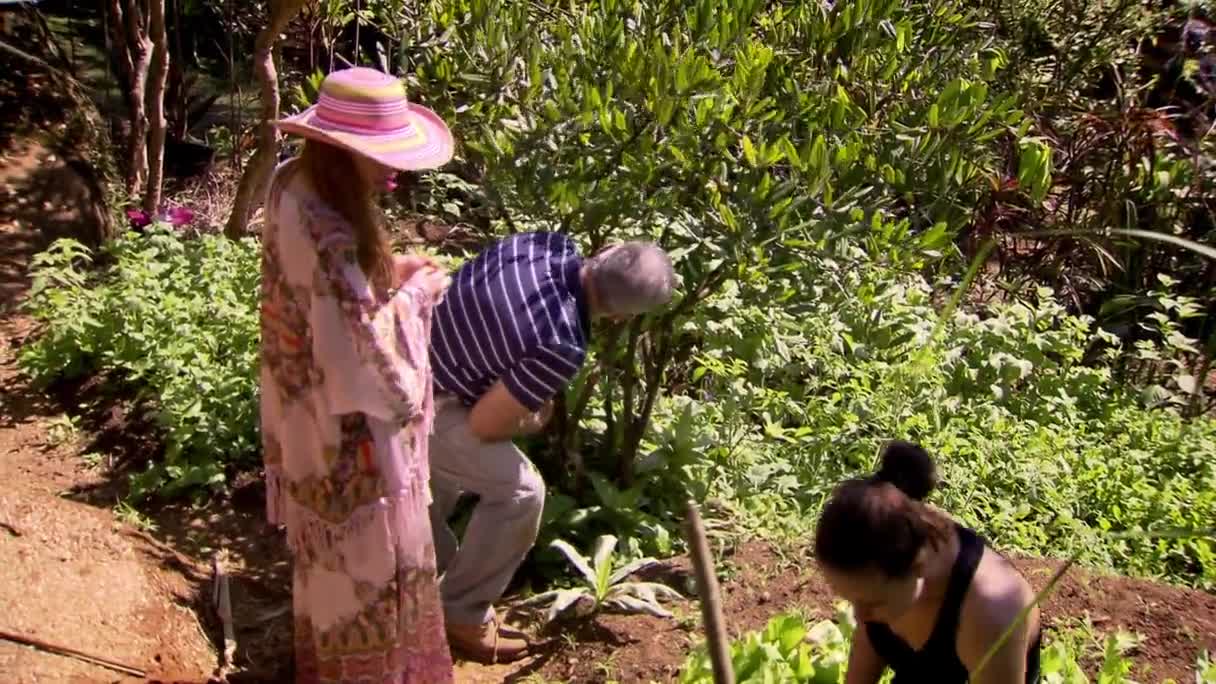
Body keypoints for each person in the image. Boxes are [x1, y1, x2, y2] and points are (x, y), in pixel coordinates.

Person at [259, 66, 457, 683]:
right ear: (345, 153)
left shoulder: (291, 184)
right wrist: (416, 296)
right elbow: (371, 367)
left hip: (302, 420)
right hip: (348, 447)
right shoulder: (331, 230)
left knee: (329, 578)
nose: (389, 171)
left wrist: (381, 275)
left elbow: (320, 299)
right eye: (378, 157)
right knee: (368, 582)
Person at [426, 233, 676, 663]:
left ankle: (416, 565)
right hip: (422, 404)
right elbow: (486, 424)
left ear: (607, 250)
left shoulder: (543, 244)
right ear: (617, 316)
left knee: (454, 472)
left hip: (404, 353)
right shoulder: (562, 341)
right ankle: (461, 615)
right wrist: (535, 417)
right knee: (522, 493)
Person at [813, 441, 1043, 684]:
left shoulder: (989, 612)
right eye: (851, 600)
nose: (858, 616)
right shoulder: (878, 579)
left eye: (871, 603)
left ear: (918, 566)